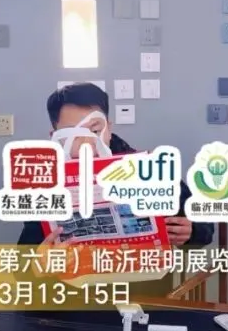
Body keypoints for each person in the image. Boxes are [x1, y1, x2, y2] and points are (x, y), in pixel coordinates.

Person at [17, 82, 215, 287]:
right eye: (70, 135)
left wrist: (191, 232)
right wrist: (37, 265)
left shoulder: (147, 169)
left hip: (142, 293)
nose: (86, 143)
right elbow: (22, 265)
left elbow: (205, 227)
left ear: (108, 129)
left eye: (94, 131)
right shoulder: (46, 185)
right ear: (54, 137)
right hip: (71, 296)